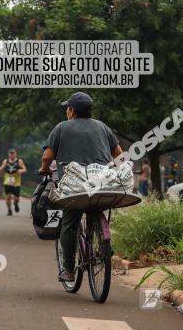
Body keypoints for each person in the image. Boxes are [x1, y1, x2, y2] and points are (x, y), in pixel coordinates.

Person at [39, 92, 122, 282]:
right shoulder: (103, 127)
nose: (66, 111)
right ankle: (103, 242)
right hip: (101, 184)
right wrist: (117, 171)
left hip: (74, 188)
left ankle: (68, 269)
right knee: (99, 207)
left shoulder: (61, 128)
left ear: (72, 111)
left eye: (67, 108)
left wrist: (44, 170)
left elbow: (47, 157)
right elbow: (119, 156)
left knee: (69, 224)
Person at [1, 148, 27, 216]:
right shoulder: (5, 161)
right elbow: (2, 167)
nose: (12, 155)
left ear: (15, 154)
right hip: (7, 181)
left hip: (16, 181)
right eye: (10, 153)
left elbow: (24, 169)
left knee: (16, 198)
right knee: (8, 196)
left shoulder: (19, 161)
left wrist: (21, 171)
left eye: (13, 153)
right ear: (8, 154)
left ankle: (15, 203)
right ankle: (9, 210)